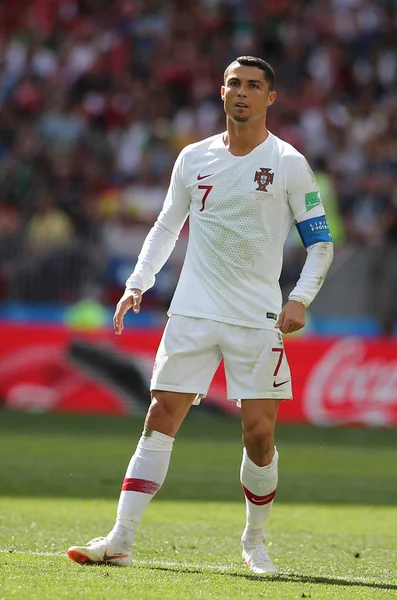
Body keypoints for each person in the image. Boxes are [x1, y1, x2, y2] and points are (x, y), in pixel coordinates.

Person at [67, 56, 334, 574]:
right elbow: (167, 226)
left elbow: (320, 244)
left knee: (259, 435)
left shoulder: (288, 162)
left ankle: (255, 541)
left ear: (269, 99)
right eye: (234, 83)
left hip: (257, 317)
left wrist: (300, 297)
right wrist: (137, 284)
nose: (242, 93)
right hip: (192, 311)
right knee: (159, 417)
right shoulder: (193, 158)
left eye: (254, 86)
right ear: (222, 91)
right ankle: (120, 539)